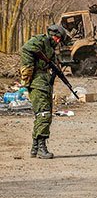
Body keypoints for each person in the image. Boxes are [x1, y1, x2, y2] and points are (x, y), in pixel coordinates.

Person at [20, 24, 69, 159]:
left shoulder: (50, 49)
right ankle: (42, 148)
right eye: (56, 37)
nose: (58, 41)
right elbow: (26, 48)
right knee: (44, 115)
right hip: (38, 82)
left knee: (42, 115)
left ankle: (35, 148)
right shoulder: (41, 41)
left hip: (44, 83)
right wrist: (34, 66)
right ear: (50, 34)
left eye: (59, 39)